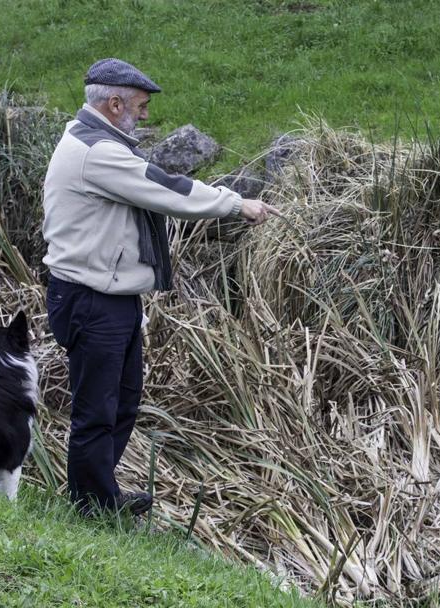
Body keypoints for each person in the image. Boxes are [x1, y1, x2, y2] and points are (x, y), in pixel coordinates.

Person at [42, 58, 278, 515]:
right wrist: (235, 204)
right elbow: (167, 189)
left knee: (123, 400)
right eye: (141, 106)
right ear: (114, 103)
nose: (146, 115)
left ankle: (99, 495)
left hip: (108, 295)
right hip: (92, 299)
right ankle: (90, 505)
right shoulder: (98, 153)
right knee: (97, 409)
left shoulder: (94, 139)